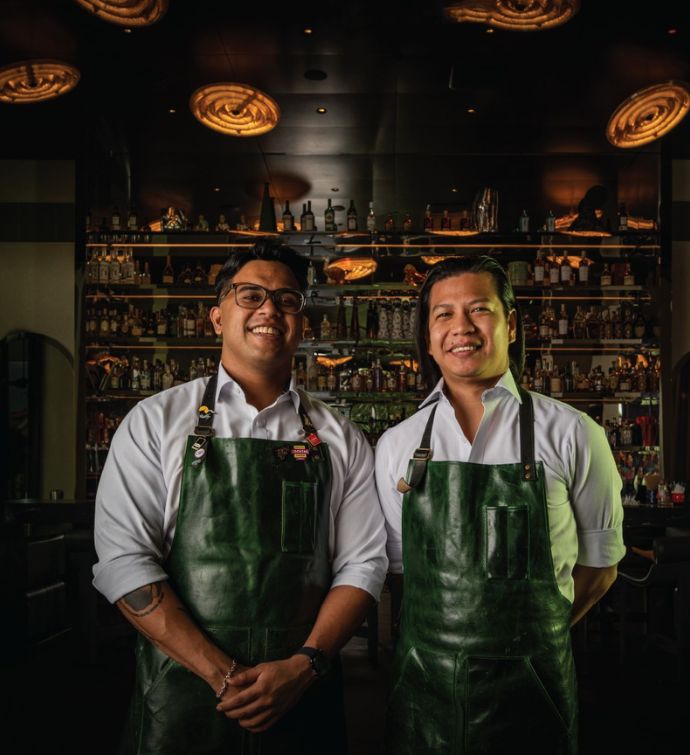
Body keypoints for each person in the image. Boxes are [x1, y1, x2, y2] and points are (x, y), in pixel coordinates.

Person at [93, 240, 388, 755]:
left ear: (303, 322)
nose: (270, 308)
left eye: (288, 299)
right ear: (216, 316)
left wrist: (302, 667)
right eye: (250, 295)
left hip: (304, 693)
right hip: (183, 691)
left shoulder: (341, 437)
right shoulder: (155, 421)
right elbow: (123, 563)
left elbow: (362, 565)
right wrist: (222, 675)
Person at [374, 255, 625, 754]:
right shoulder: (396, 445)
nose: (461, 327)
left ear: (510, 325)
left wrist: (525, 643)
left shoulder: (575, 434)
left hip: (534, 689)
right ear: (428, 337)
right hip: (426, 692)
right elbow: (403, 574)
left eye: (479, 310)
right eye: (443, 314)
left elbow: (600, 569)